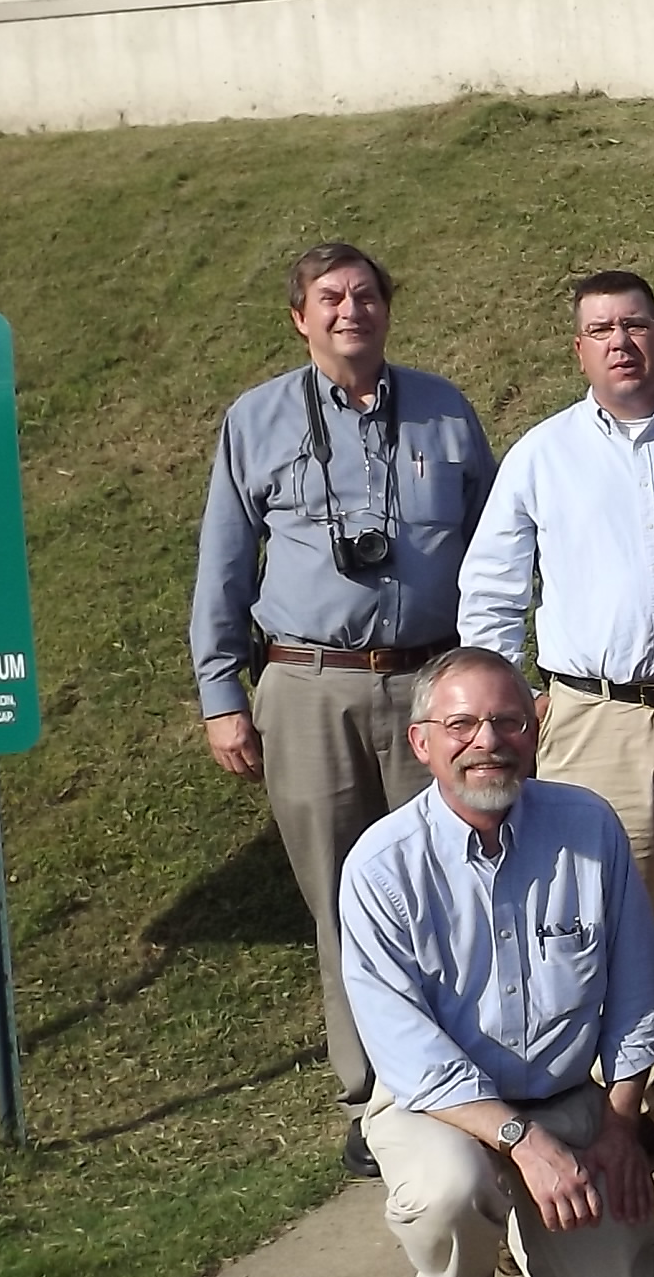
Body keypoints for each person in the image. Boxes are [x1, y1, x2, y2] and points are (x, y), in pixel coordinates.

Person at [191, 241, 495, 1177]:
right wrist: (221, 695)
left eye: (365, 294)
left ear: (387, 309)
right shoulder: (257, 420)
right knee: (340, 898)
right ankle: (372, 1096)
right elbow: (224, 565)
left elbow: (494, 551)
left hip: (429, 684)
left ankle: (465, 1080)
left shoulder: (445, 410)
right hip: (305, 684)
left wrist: (495, 678)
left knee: (450, 888)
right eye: (329, 297)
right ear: (300, 316)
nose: (349, 309)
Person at [458, 270, 654, 1100]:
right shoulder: (541, 454)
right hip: (594, 718)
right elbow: (492, 590)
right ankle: (623, 1097)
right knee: (600, 916)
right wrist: (505, 703)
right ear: (579, 350)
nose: (621, 343)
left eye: (635, 325)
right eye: (601, 331)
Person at [338, 649, 654, 1277]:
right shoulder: (381, 868)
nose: (487, 740)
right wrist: (524, 1144)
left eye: (506, 720)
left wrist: (619, 1125)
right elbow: (410, 1054)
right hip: (442, 1111)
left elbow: (637, 992)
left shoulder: (589, 826)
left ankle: (522, 1230)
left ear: (534, 728)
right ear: (422, 743)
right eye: (461, 724)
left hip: (563, 1096)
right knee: (450, 1187)